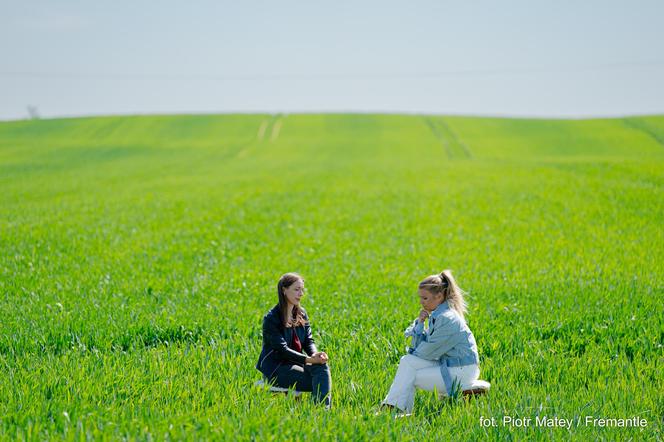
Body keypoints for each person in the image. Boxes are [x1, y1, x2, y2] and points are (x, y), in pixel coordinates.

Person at [381, 270, 480, 414]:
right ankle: (395, 408)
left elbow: (427, 352)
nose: (421, 302)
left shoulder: (447, 319)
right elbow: (423, 349)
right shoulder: (438, 315)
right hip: (454, 365)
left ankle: (395, 410)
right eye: (420, 298)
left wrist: (416, 346)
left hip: (462, 370)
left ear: (439, 296)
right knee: (407, 361)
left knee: (410, 375)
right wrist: (420, 323)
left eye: (425, 298)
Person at [256, 272, 332, 407]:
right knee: (320, 380)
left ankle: (321, 410)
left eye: (302, 290)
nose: (301, 294)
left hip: (296, 364)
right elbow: (282, 350)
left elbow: (308, 340)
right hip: (276, 369)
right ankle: (321, 411)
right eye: (297, 289)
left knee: (322, 367)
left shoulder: (301, 313)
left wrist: (314, 354)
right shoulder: (271, 319)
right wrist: (308, 360)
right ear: (284, 290)